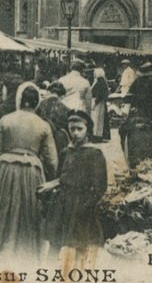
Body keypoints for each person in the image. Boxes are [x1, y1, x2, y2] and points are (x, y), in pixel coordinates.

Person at [0, 82, 58, 259]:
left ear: (20, 100)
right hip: (31, 171)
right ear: (36, 102)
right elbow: (52, 160)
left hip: (4, 169)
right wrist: (51, 181)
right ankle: (23, 254)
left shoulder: (6, 120)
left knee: (1, 212)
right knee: (26, 215)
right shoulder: (43, 125)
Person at [45, 110, 108, 256]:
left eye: (80, 129)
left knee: (81, 245)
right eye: (72, 129)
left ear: (87, 130)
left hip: (83, 206)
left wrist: (87, 205)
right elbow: (59, 177)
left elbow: (100, 186)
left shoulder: (94, 154)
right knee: (56, 243)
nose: (75, 133)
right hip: (63, 204)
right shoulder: (66, 152)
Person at [91, 67, 111, 142]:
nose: (94, 74)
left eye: (95, 73)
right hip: (98, 102)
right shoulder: (98, 81)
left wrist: (95, 103)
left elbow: (99, 94)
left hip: (99, 102)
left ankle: (97, 136)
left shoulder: (100, 81)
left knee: (98, 120)